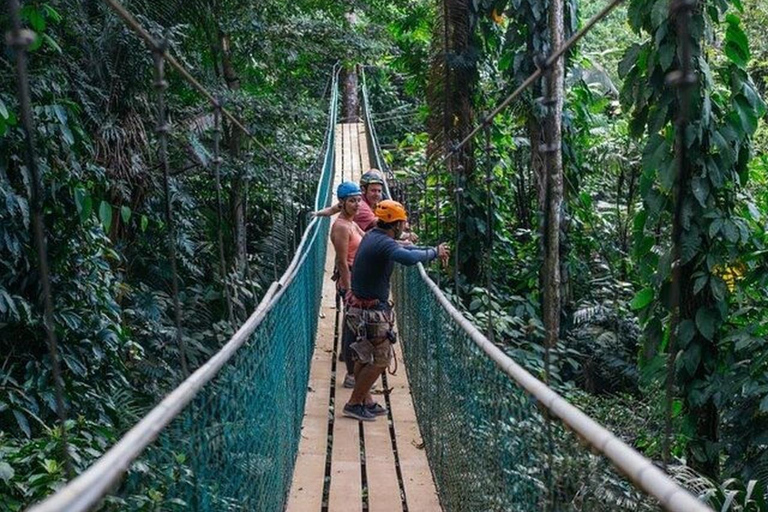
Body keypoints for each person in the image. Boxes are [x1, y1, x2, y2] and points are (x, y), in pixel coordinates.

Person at [342, 200, 449, 421]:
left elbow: (406, 248)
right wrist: (435, 253)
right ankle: (354, 403)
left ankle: (365, 400)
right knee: (381, 360)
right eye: (403, 222)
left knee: (366, 354)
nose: (404, 225)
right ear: (396, 224)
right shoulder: (382, 243)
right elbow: (408, 258)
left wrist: (429, 250)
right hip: (369, 311)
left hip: (360, 307)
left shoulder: (375, 235)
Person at [330, 181, 365, 388]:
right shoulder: (341, 227)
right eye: (352, 201)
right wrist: (349, 289)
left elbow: (367, 238)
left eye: (359, 200)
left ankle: (348, 357)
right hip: (349, 278)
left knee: (351, 321)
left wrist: (398, 241)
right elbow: (342, 261)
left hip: (357, 277)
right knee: (353, 325)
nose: (357, 204)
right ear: (342, 202)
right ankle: (351, 376)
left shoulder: (351, 222)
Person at [313, 169, 386, 231]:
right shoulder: (361, 206)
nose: (377, 194)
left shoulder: (354, 200)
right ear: (363, 190)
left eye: (379, 191)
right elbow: (384, 225)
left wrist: (317, 213)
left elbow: (331, 210)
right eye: (373, 191)